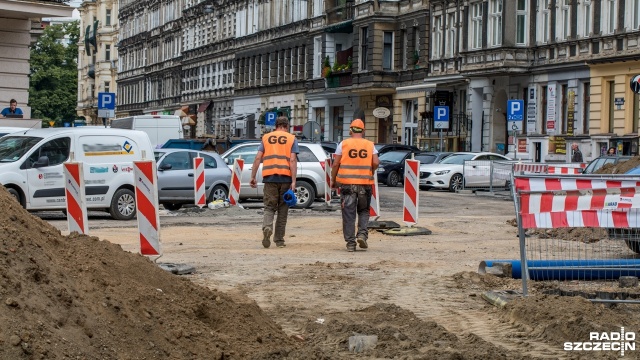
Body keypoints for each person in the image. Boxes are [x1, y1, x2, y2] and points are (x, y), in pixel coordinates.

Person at [330, 119, 380, 252]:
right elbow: (376, 162)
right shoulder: (370, 145)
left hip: (347, 184)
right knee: (363, 211)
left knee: (348, 213)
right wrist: (371, 171)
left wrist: (333, 180)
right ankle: (362, 235)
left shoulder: (343, 144)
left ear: (350, 130)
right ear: (363, 131)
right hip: (365, 184)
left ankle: (351, 244)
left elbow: (335, 164)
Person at [250, 116, 298, 249]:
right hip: (285, 178)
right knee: (283, 209)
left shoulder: (266, 138)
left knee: (269, 207)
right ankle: (279, 240)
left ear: (275, 126)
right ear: (287, 126)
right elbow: (292, 160)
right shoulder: (292, 138)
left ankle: (267, 227)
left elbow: (258, 157)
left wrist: (253, 176)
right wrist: (294, 181)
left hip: (270, 178)